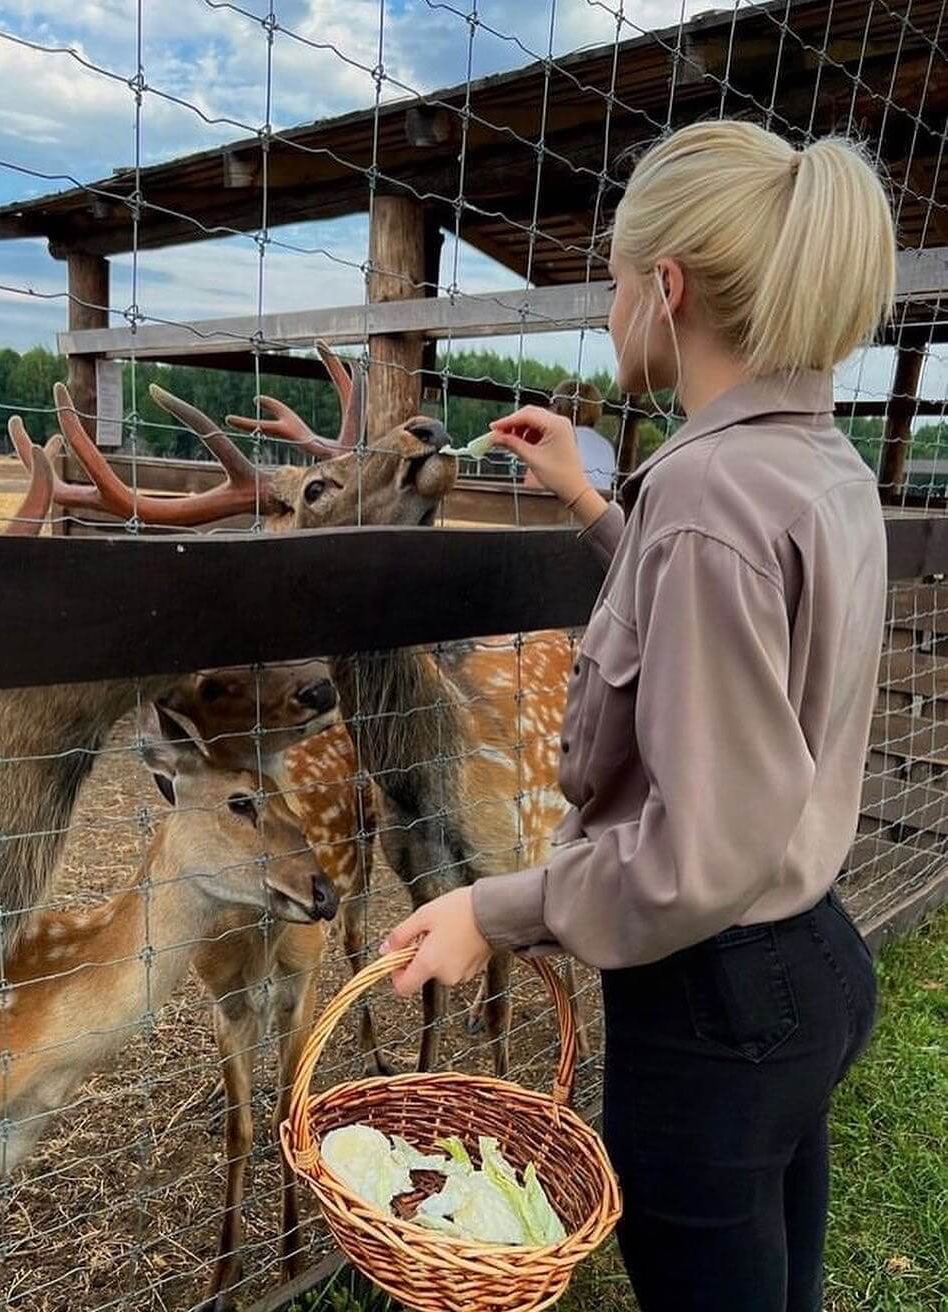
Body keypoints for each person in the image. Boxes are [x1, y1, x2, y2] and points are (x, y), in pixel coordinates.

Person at [382, 120, 894, 1312]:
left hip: (712, 1002)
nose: (609, 308)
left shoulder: (710, 498)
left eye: (612, 280)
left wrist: (493, 908)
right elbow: (732, 636)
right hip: (809, 961)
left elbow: (698, 854)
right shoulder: (819, 465)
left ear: (664, 290)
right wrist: (591, 504)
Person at [522, 378, 616, 492]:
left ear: (558, 408)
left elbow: (530, 489)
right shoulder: (606, 446)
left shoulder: (554, 439)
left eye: (551, 403)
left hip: (558, 508)